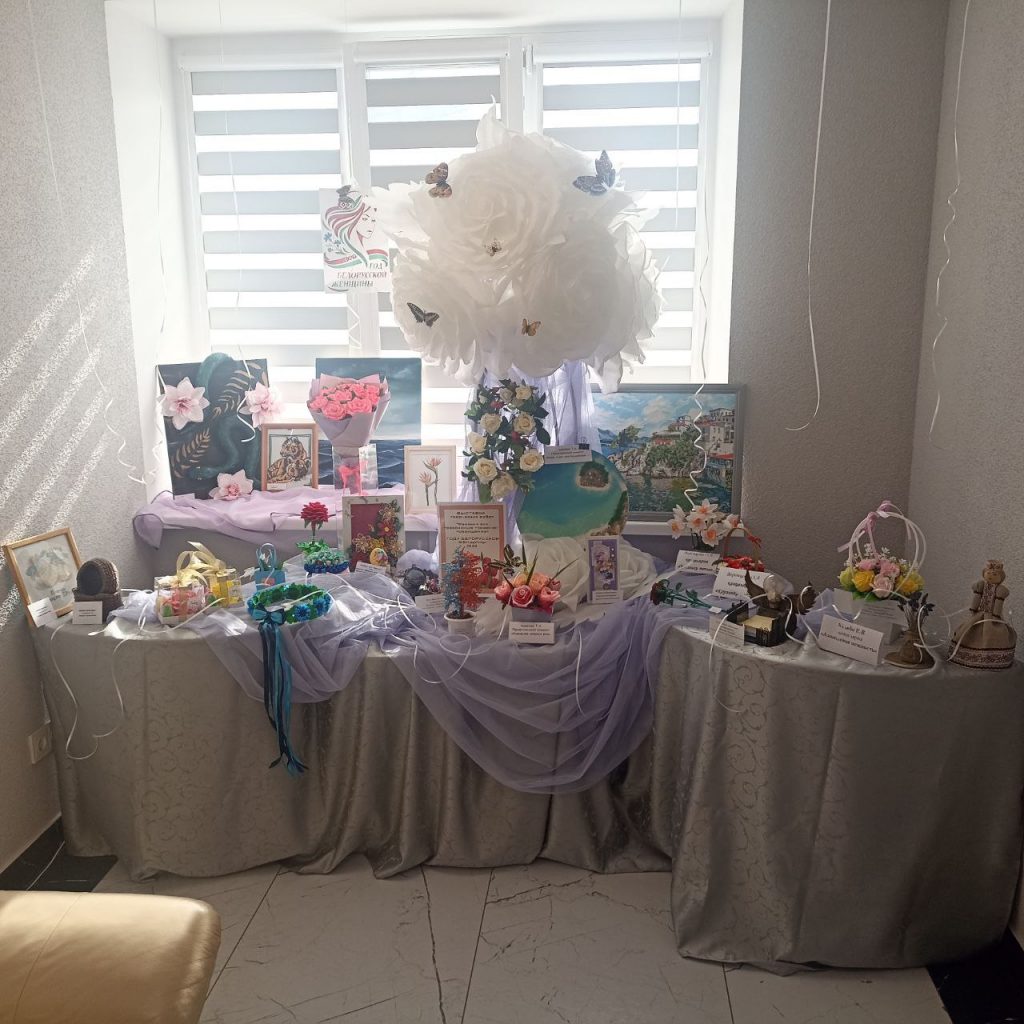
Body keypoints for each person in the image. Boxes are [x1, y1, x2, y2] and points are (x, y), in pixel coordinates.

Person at [950, 560, 1017, 670]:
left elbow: (998, 603)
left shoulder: (1000, 590)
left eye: (994, 574)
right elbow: (977, 598)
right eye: (988, 573)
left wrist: (996, 615)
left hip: (992, 616)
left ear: (1001, 577)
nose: (990, 576)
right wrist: (973, 609)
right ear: (984, 573)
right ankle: (966, 655)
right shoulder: (981, 586)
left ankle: (991, 659)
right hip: (980, 614)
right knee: (969, 629)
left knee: (992, 634)